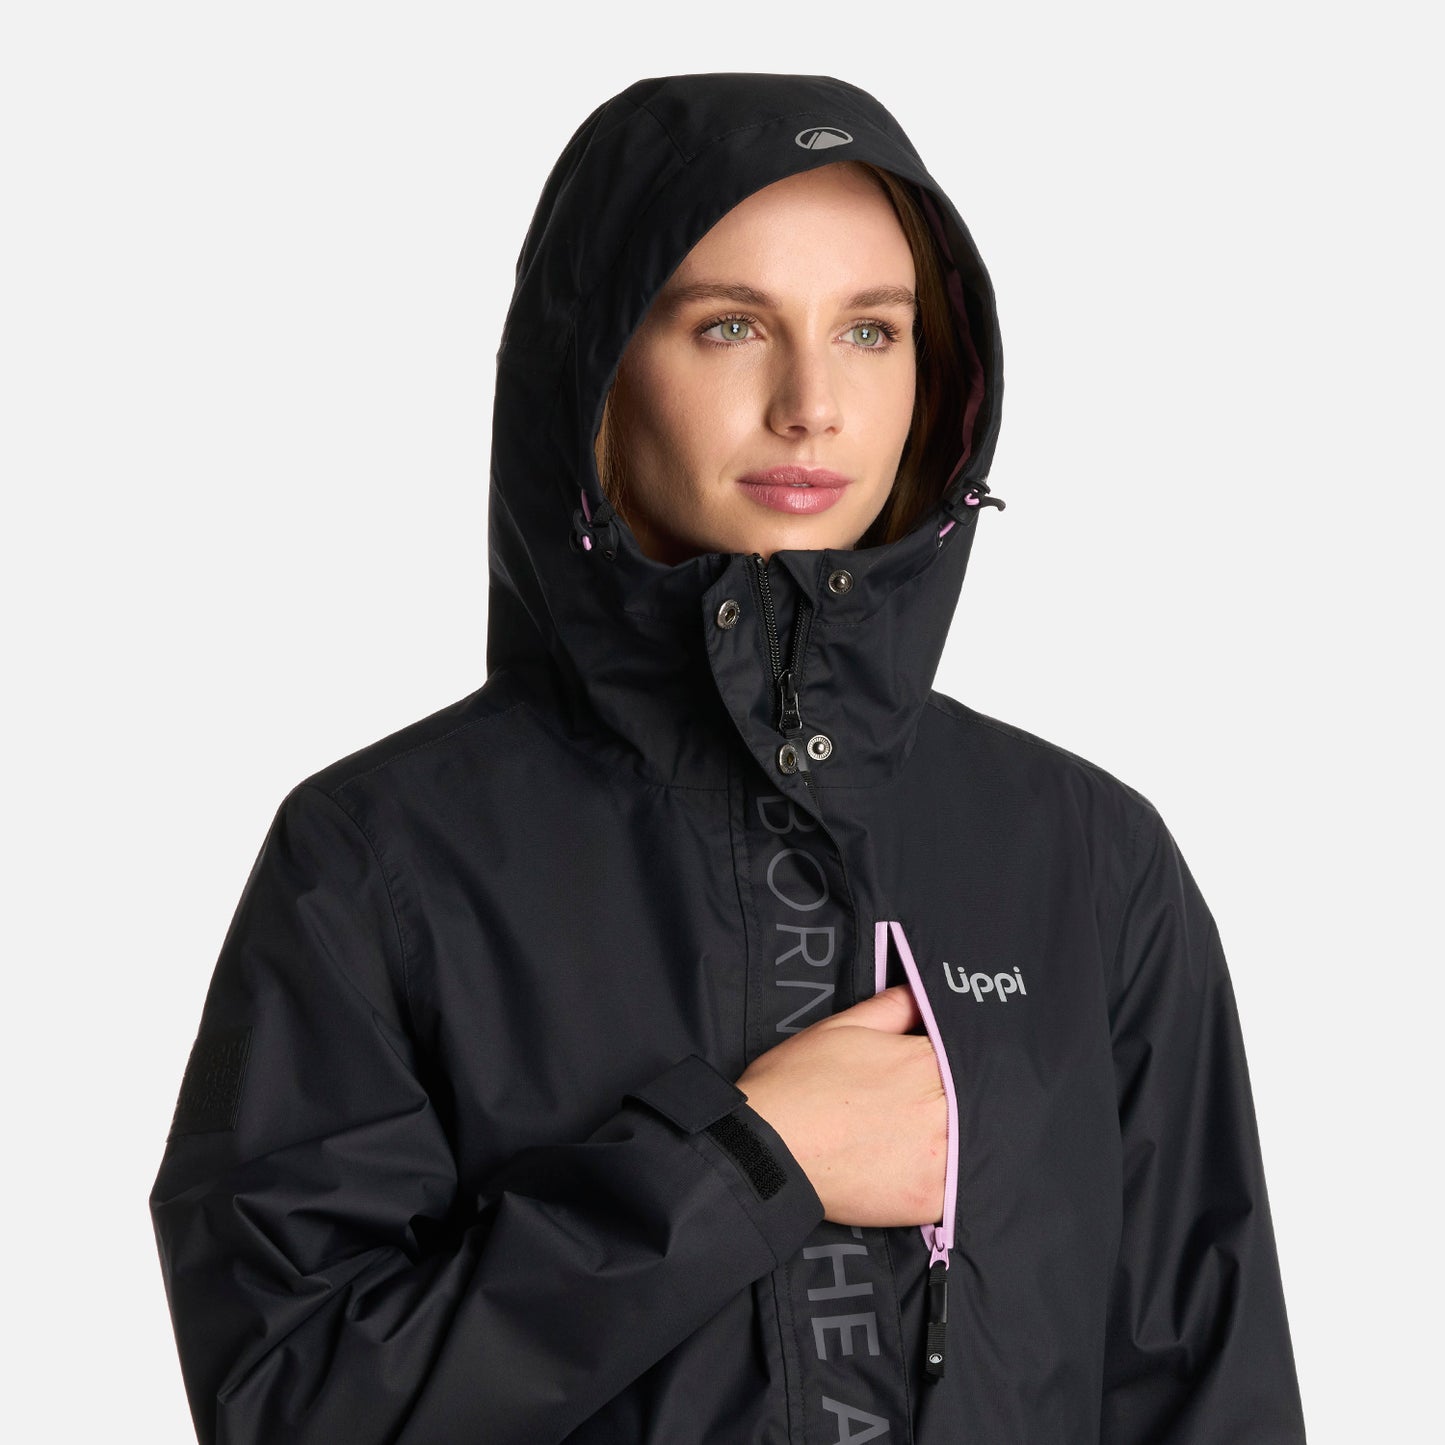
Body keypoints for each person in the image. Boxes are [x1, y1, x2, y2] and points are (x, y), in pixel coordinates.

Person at [150, 72, 1308, 1444]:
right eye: (730, 326)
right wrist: (746, 1167)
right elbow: (293, 1404)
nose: (812, 404)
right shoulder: (380, 858)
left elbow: (1207, 1397)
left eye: (870, 329)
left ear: (938, 382)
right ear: (594, 371)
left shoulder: (1085, 856)